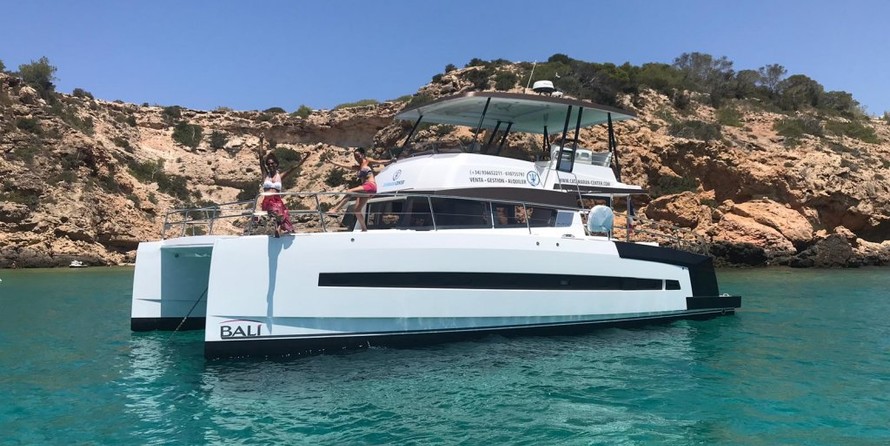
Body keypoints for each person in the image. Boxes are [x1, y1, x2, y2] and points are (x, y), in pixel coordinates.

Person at [329, 147, 393, 231]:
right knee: (357, 210)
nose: (357, 158)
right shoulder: (358, 167)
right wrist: (332, 162)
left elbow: (379, 162)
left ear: (362, 155)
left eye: (358, 156)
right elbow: (344, 166)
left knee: (349, 192)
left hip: (370, 185)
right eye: (355, 157)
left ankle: (335, 210)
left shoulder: (368, 161)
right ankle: (364, 229)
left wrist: (390, 161)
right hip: (365, 188)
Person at [256, 137, 306, 237]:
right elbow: (261, 158)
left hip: (277, 200)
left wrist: (305, 158)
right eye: (268, 164)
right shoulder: (265, 175)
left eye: (272, 163)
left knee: (280, 208)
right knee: (277, 209)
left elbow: (294, 167)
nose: (270, 165)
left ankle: (278, 228)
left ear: (276, 164)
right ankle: (278, 227)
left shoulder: (280, 176)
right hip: (267, 200)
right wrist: (261, 141)